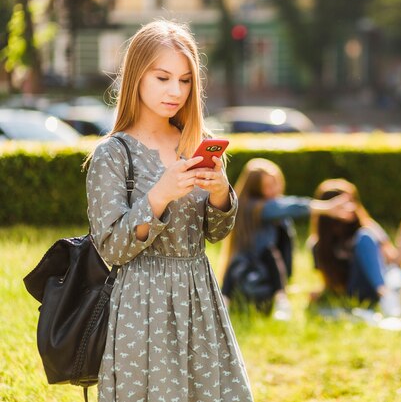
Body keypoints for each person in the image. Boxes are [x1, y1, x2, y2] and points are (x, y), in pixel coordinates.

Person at [85, 20, 253, 401]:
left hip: (200, 295)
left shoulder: (197, 143)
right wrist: (159, 196)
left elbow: (215, 232)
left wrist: (221, 194)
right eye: (162, 78)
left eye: (185, 80)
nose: (175, 91)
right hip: (142, 304)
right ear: (136, 76)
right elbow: (111, 248)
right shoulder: (113, 154)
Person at [220, 158, 353, 319]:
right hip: (251, 276)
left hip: (268, 277)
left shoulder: (271, 210)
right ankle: (272, 300)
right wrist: (325, 208)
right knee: (269, 253)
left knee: (272, 249)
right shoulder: (254, 207)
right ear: (256, 189)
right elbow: (288, 207)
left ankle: (278, 300)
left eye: (275, 184)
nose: (274, 190)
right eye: (267, 186)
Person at [308, 178, 401, 326]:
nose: (350, 207)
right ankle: (392, 302)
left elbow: (396, 262)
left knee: (395, 273)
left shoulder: (368, 228)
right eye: (342, 204)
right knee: (390, 272)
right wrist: (322, 294)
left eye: (352, 201)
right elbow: (332, 283)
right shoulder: (318, 245)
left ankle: (397, 302)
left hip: (387, 282)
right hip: (360, 291)